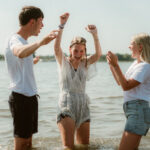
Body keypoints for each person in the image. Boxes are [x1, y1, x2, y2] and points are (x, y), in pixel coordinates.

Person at [5, 6, 58, 150]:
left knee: (28, 144)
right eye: (41, 21)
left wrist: (32, 62)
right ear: (32, 21)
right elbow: (18, 53)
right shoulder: (14, 39)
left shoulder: (25, 42)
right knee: (22, 144)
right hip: (20, 98)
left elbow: (20, 63)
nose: (43, 26)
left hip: (30, 98)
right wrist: (41, 42)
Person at [54, 13, 102, 149]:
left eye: (82, 51)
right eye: (76, 50)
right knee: (69, 147)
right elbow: (57, 48)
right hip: (66, 103)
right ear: (70, 49)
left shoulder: (85, 63)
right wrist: (61, 25)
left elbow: (98, 54)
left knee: (84, 146)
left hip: (83, 104)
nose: (79, 54)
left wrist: (95, 35)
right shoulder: (63, 62)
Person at [106, 33, 150, 150]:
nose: (129, 47)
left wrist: (116, 66)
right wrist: (112, 66)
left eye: (131, 44)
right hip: (134, 109)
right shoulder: (136, 64)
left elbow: (126, 86)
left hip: (138, 109)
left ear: (140, 47)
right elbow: (121, 82)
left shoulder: (145, 66)